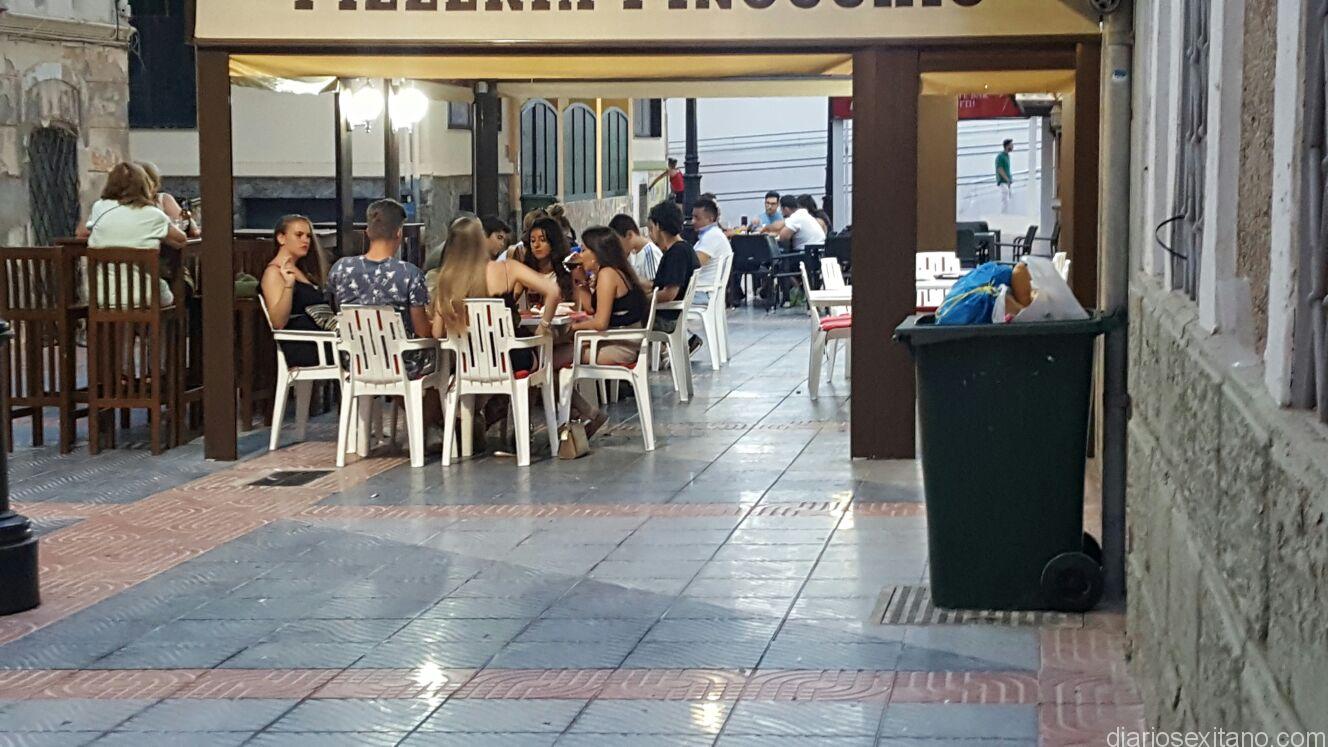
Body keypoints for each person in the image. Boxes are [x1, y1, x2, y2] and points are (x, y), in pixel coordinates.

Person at [77, 162, 187, 308]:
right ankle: (166, 323)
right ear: (144, 185)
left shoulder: (99, 207)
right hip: (144, 296)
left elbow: (82, 232)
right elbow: (181, 240)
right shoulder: (153, 214)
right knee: (168, 292)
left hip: (101, 296)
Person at [327, 199, 433, 341]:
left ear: (368, 232)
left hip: (351, 352)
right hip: (398, 353)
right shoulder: (410, 274)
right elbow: (422, 331)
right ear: (399, 233)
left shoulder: (340, 268)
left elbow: (335, 309)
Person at [260, 215, 335, 368]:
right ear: (281, 238)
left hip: (324, 338)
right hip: (305, 344)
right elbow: (278, 322)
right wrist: (288, 286)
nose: (305, 240)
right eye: (299, 235)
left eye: (308, 236)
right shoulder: (274, 273)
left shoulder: (303, 271)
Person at [645, 200, 702, 354]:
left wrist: (643, 299)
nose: (650, 234)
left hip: (665, 320)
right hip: (671, 316)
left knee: (621, 320)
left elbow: (669, 294)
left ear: (658, 226)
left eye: (651, 228)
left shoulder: (676, 253)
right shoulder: (685, 248)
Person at [520, 217, 592, 311]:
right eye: (532, 241)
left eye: (542, 240)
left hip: (565, 319)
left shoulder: (570, 267)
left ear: (554, 242)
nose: (536, 245)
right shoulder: (527, 270)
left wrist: (582, 280)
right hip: (535, 320)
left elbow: (586, 307)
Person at [691, 197, 732, 296]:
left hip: (702, 292)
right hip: (703, 290)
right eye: (692, 217)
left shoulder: (712, 236)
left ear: (711, 219)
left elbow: (694, 264)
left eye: (697, 218)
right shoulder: (710, 235)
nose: (693, 221)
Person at [608, 214, 662, 284]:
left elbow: (654, 285)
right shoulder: (632, 253)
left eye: (618, 242)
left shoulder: (650, 252)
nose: (617, 247)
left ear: (629, 235)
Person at [996, 138, 1014, 213]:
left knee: (1008, 199)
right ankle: (1004, 215)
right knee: (1005, 199)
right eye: (1011, 145)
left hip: (1007, 182)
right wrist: (1007, 179)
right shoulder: (1000, 156)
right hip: (1002, 181)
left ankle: (1007, 214)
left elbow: (1007, 169)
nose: (1013, 146)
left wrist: (1009, 179)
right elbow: (1000, 169)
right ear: (1007, 146)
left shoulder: (1007, 156)